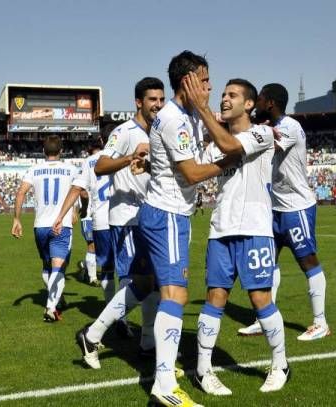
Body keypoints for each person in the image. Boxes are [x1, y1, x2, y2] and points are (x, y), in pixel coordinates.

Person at [136, 51, 235, 407]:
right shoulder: (175, 119)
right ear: (188, 82)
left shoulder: (188, 116)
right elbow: (192, 174)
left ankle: (162, 372)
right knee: (175, 295)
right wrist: (228, 162)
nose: (210, 86)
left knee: (166, 291)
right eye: (204, 80)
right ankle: (163, 385)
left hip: (170, 214)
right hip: (167, 214)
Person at [184, 75, 290, 393]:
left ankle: (281, 364)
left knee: (260, 299)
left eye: (233, 95)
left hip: (256, 229)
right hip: (220, 231)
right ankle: (203, 370)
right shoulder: (215, 143)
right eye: (224, 94)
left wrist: (202, 109)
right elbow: (190, 172)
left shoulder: (262, 133)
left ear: (249, 103)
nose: (225, 99)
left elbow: (231, 146)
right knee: (216, 298)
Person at [67, 77, 166, 370]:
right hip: (128, 218)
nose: (158, 105)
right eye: (152, 100)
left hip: (152, 215)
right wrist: (129, 157)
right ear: (139, 102)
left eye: (161, 100)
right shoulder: (124, 132)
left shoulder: (161, 131)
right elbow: (100, 166)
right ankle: (95, 333)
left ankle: (147, 343)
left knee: (156, 283)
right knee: (143, 282)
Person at [238, 83, 330, 342]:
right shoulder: (271, 123)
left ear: (270, 103)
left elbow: (265, 145)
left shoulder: (289, 127)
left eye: (260, 98)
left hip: (296, 206)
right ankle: (265, 318)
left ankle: (320, 322)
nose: (256, 102)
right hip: (274, 206)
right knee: (269, 263)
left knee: (307, 261)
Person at [11, 136, 78, 323]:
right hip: (60, 224)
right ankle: (51, 307)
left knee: (47, 265)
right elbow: (81, 192)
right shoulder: (71, 169)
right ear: (62, 151)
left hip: (40, 225)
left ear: (43, 151)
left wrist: (16, 219)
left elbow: (21, 192)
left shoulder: (33, 169)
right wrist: (78, 209)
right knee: (59, 266)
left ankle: (56, 299)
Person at [52, 143, 116, 305]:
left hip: (99, 218)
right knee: (127, 269)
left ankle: (114, 311)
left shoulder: (89, 161)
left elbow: (79, 190)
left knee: (107, 267)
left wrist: (67, 213)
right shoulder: (122, 156)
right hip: (121, 216)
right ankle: (120, 313)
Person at [78, 190, 99, 286]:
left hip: (98, 217)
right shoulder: (83, 178)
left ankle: (84, 264)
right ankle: (92, 278)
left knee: (99, 247)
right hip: (87, 218)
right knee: (92, 245)